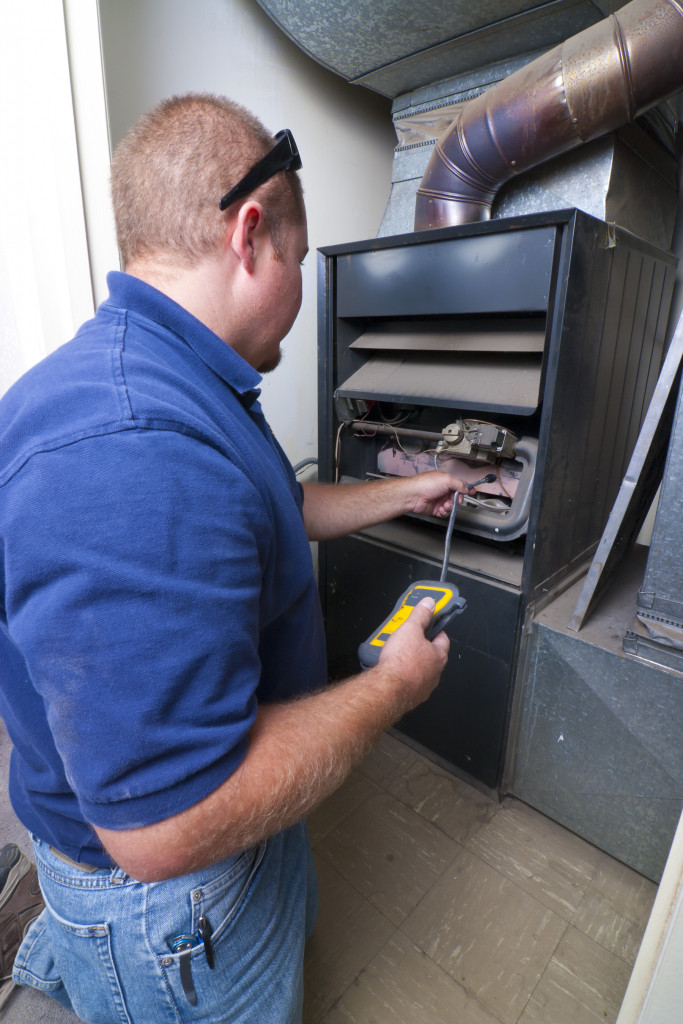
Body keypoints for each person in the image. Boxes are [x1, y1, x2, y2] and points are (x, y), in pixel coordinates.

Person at [0, 93, 465, 1024]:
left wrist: (408, 490)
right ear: (251, 235)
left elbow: (276, 506)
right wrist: (391, 689)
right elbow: (163, 830)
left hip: (233, 840)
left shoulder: (183, 374)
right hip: (173, 908)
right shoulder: (131, 453)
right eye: (298, 260)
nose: (300, 287)